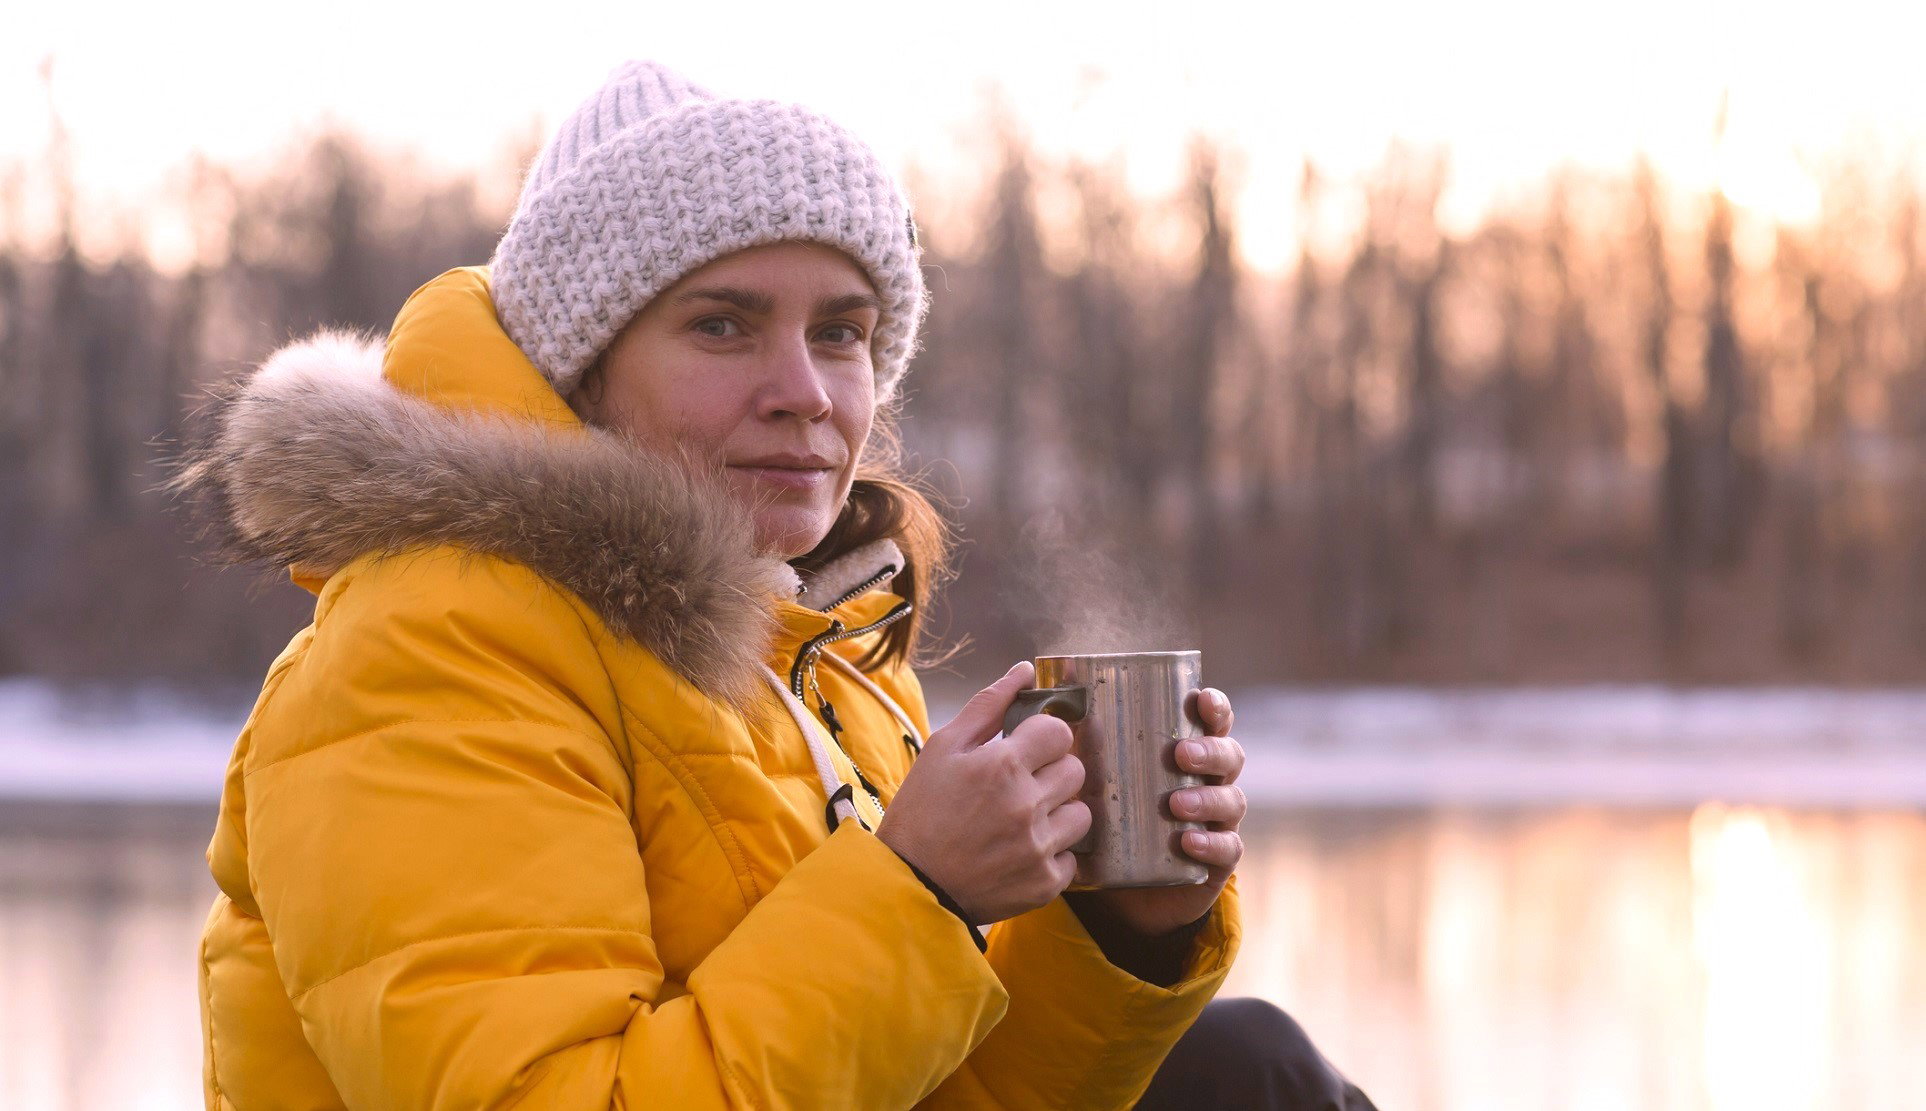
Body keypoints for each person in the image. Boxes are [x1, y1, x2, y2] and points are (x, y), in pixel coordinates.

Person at [172, 59, 1374, 1109]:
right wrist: (919, 887)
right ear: (580, 371)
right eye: (723, 326)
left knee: (1245, 1071)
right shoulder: (430, 650)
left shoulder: (817, 655)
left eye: (842, 332)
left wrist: (1119, 925)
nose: (804, 389)